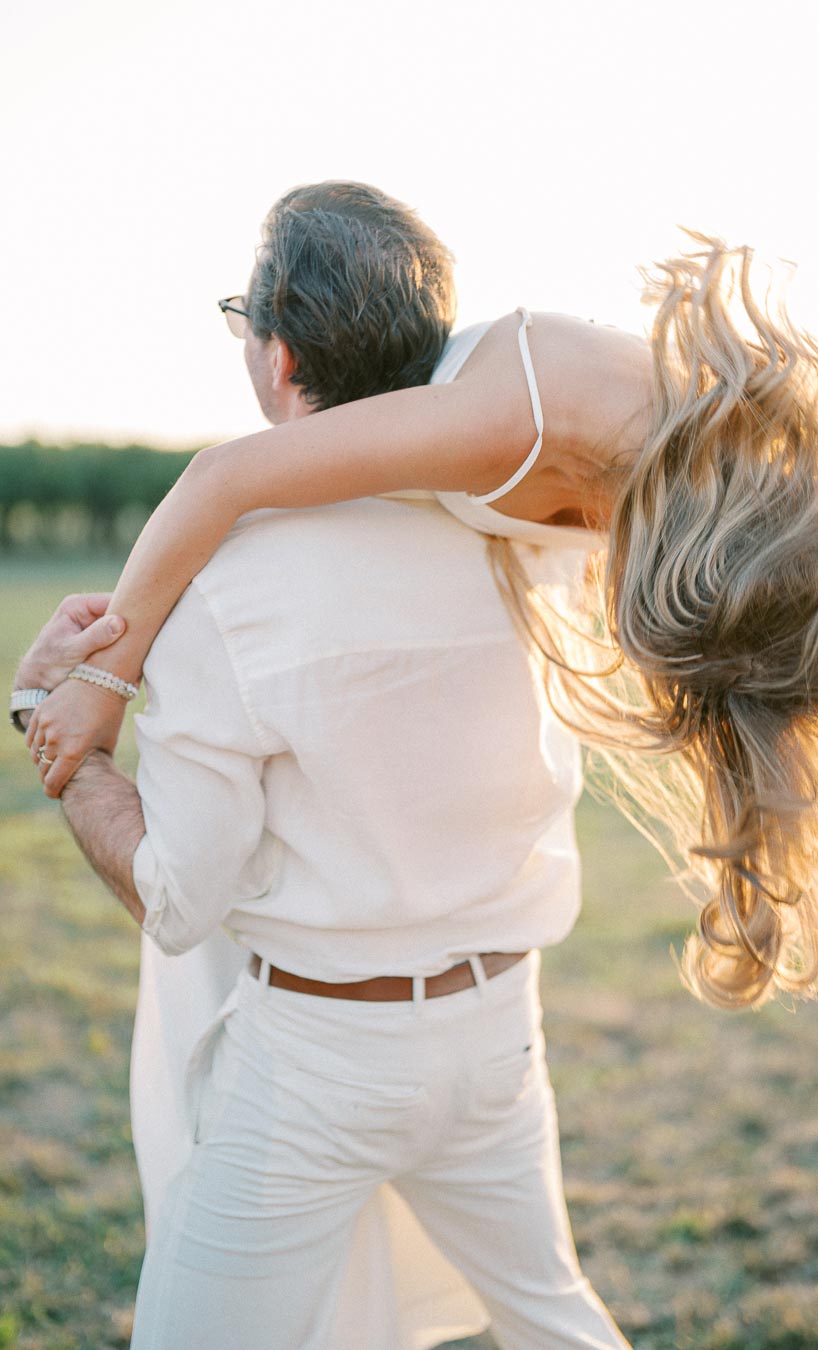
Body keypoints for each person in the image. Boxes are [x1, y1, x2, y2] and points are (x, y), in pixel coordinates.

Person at [13, 181, 637, 1349]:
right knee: (556, 1320)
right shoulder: (520, 543)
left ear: (279, 351)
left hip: (319, 1059)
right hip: (499, 1024)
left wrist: (56, 734)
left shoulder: (228, 588)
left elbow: (181, 896)